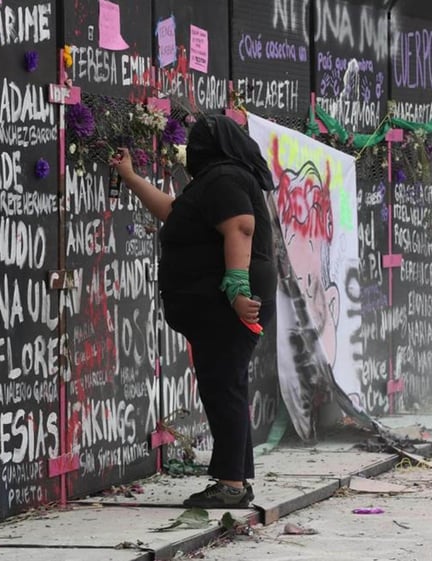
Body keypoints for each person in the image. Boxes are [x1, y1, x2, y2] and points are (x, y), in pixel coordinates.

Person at [111, 114, 276, 508]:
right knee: (224, 387)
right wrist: (131, 178)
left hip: (227, 307)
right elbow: (173, 211)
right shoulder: (214, 183)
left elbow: (241, 228)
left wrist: (236, 289)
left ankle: (232, 485)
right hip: (217, 311)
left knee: (224, 389)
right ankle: (234, 480)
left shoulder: (224, 179)